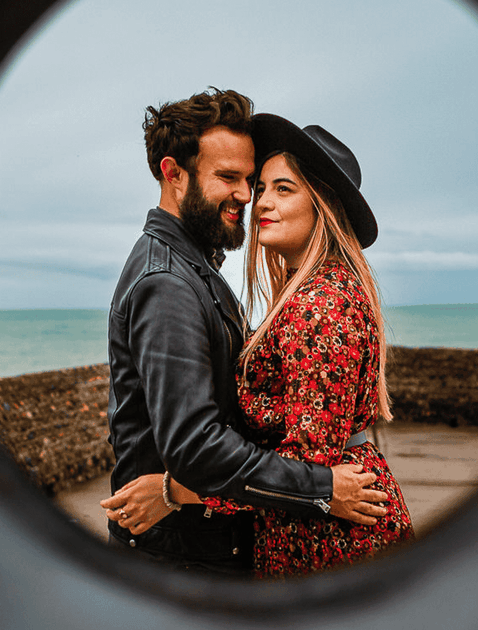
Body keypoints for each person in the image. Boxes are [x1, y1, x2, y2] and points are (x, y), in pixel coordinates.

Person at [105, 112, 414, 578]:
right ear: (174, 174)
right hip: (296, 536)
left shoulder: (321, 304)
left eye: (278, 188)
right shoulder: (178, 278)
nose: (255, 199)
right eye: (247, 182)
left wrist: (173, 491)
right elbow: (308, 477)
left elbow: (313, 473)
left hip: (327, 542)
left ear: (323, 207)